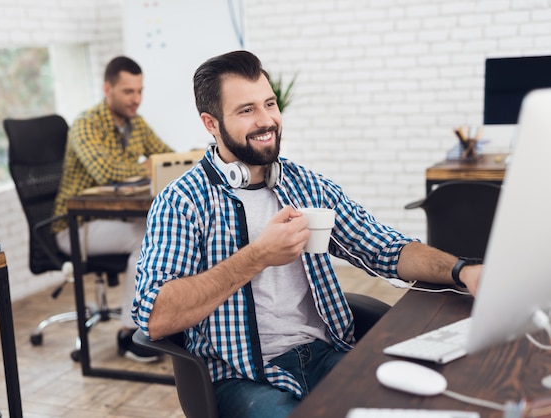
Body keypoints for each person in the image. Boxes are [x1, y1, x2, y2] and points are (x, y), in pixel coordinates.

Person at [133, 50, 482, 417]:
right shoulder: (182, 202)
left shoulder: (306, 185)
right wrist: (257, 256)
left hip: (324, 354)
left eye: (269, 103)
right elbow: (154, 316)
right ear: (211, 123)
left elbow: (385, 247)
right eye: (246, 110)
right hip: (242, 376)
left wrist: (462, 270)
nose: (266, 120)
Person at [52, 55, 173, 362]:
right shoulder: (86, 124)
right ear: (108, 88)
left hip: (112, 221)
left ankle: (162, 320)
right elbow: (105, 170)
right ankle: (130, 335)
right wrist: (147, 167)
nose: (136, 99)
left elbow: (166, 157)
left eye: (140, 91)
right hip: (73, 226)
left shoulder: (135, 123)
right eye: (128, 92)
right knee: (145, 238)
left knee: (162, 231)